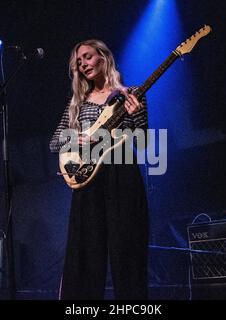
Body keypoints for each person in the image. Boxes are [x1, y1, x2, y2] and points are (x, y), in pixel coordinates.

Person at [49, 39, 149, 300]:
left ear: (104, 58)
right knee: (86, 254)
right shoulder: (78, 104)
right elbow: (54, 142)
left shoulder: (132, 93)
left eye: (87, 57)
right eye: (78, 62)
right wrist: (74, 139)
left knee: (127, 250)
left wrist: (135, 115)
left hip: (122, 177)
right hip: (88, 182)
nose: (82, 64)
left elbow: (143, 141)